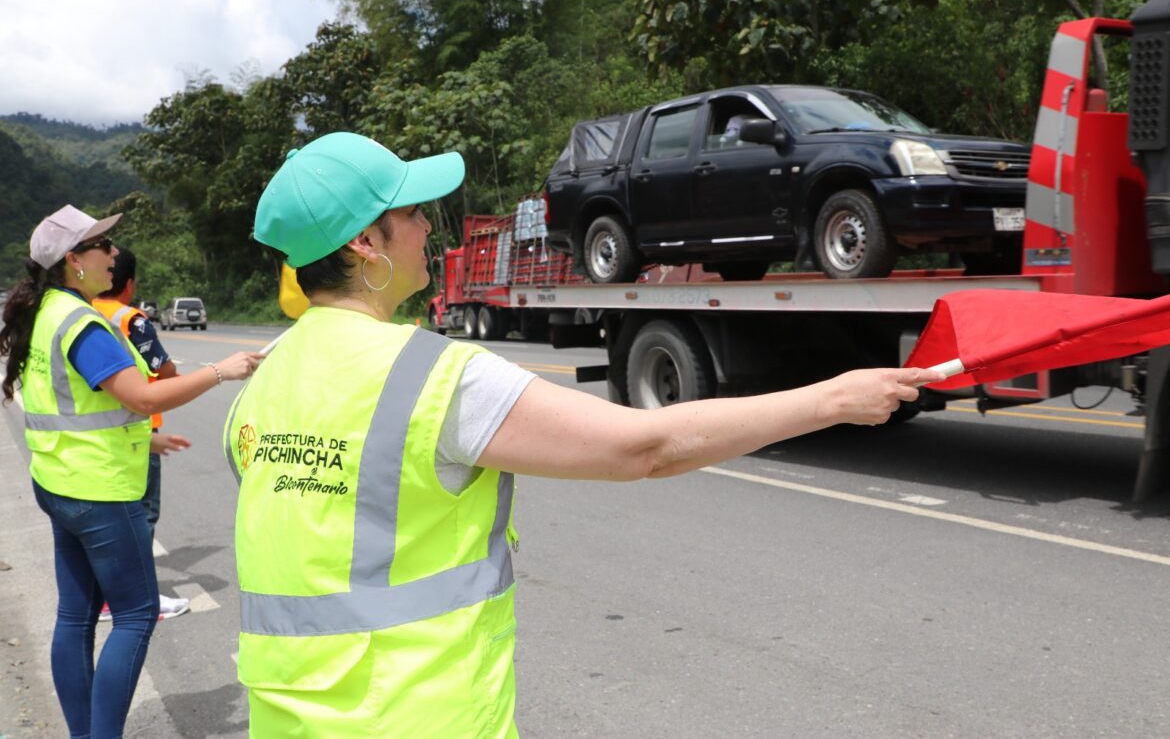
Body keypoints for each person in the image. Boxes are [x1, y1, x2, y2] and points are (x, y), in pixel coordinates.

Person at [222, 132, 942, 737]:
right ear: (364, 244)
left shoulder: (264, 378)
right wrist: (832, 399)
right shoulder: (433, 376)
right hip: (415, 717)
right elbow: (644, 446)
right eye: (411, 213)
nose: (429, 229)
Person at [0, 205, 264, 739]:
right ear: (74, 260)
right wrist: (220, 370)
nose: (114, 254)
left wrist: (146, 440)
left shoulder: (43, 310)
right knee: (136, 615)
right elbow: (143, 396)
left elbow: (74, 408)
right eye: (104, 245)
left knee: (76, 616)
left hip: (59, 483)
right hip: (100, 491)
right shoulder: (80, 322)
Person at [92, 246, 191, 621]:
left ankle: (105, 595)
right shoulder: (131, 320)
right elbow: (164, 373)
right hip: (138, 431)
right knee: (143, 515)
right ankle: (138, 597)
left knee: (111, 518)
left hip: (97, 433)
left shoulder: (82, 311)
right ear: (129, 284)